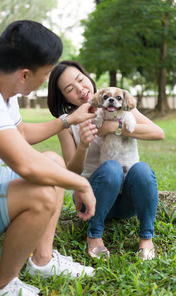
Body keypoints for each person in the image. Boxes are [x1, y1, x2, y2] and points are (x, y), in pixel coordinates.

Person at [0, 22, 97, 296]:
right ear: (25, 74)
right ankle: (2, 286)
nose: (46, 80)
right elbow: (26, 166)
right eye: (45, 74)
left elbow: (21, 134)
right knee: (41, 190)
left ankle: (42, 261)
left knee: (53, 161)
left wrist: (68, 120)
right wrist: (81, 183)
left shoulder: (2, 89)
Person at [47, 60, 165, 261]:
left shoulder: (122, 108)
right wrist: (83, 145)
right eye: (69, 89)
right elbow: (71, 173)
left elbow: (158, 133)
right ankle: (94, 236)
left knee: (142, 169)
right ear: (63, 96)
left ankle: (146, 238)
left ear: (87, 76)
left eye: (80, 80)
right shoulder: (68, 124)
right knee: (111, 168)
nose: (80, 89)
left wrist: (114, 127)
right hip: (93, 199)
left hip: (127, 200)